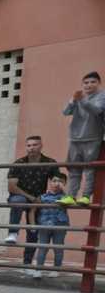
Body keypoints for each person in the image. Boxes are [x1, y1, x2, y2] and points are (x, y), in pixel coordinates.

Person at [3, 136, 60, 262]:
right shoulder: (18, 164)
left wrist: (50, 195)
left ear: (41, 146)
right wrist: (32, 198)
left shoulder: (50, 163)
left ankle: (27, 263)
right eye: (29, 145)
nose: (31, 148)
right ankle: (13, 232)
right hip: (21, 196)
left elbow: (57, 182)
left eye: (35, 145)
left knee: (33, 231)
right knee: (17, 202)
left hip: (38, 198)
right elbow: (12, 188)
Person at [60, 72, 104, 204]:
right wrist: (74, 100)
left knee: (90, 169)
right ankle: (71, 196)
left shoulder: (101, 96)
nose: (89, 85)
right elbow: (65, 111)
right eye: (86, 82)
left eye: (93, 82)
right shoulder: (78, 96)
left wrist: (81, 100)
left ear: (98, 83)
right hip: (75, 138)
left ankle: (85, 196)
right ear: (82, 84)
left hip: (92, 137)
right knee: (73, 168)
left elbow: (96, 110)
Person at [31, 173, 71, 277]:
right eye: (54, 181)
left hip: (60, 226)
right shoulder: (43, 196)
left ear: (65, 183)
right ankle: (38, 269)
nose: (56, 184)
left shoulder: (64, 196)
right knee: (42, 248)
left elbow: (72, 200)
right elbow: (33, 210)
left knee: (58, 248)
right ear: (50, 182)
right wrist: (33, 224)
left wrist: (64, 188)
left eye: (60, 182)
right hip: (44, 226)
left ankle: (55, 269)